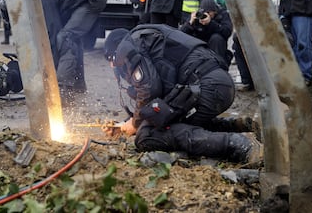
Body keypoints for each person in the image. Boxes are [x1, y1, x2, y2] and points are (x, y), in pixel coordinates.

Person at [103, 25, 262, 164]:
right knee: (172, 122)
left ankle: (239, 144)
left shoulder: (126, 47)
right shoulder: (145, 38)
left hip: (206, 89)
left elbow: (149, 89)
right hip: (218, 84)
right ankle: (237, 126)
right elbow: (157, 102)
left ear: (114, 53)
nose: (115, 67)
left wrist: (135, 124)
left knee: (147, 135)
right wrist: (125, 124)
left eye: (113, 62)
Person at [38, 0, 106, 98]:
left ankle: (63, 88)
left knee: (64, 38)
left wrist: (51, 78)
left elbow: (52, 36)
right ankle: (78, 86)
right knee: (73, 40)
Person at [180, 0, 233, 65]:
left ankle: (217, 66)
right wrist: (190, 23)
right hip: (200, 50)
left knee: (216, 38)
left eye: (209, 13)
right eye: (205, 12)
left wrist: (211, 23)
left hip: (216, 50)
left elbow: (227, 32)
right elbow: (181, 35)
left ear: (214, 11)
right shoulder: (197, 16)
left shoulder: (223, 14)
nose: (206, 15)